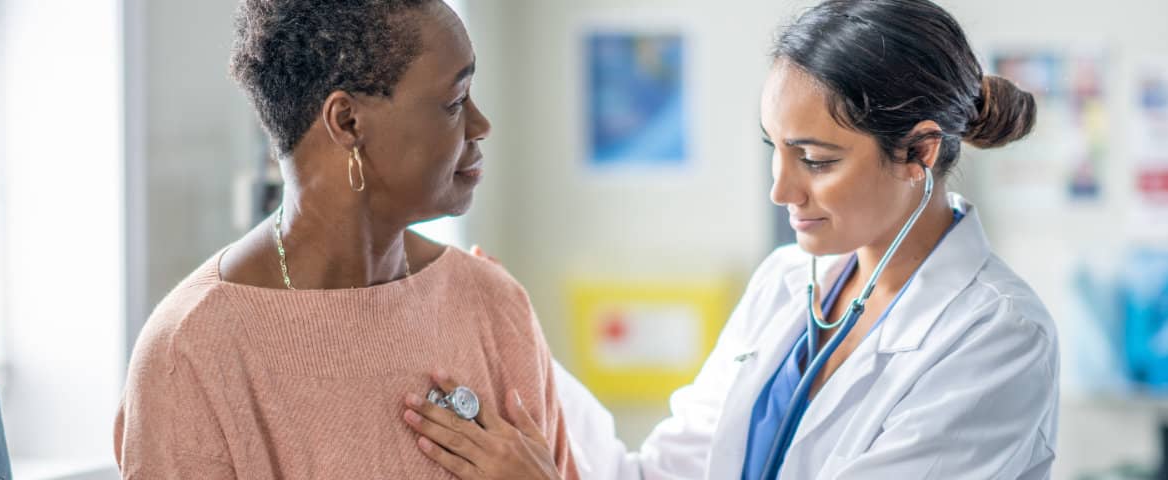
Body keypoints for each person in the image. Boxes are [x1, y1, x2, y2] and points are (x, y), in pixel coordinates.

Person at [399, 0, 1058, 478]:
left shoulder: (997, 337)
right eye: (775, 150)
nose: (782, 191)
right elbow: (658, 475)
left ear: (918, 151)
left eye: (817, 160)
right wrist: (524, 341)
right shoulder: (785, 283)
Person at [113, 1, 577, 478]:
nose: (481, 126)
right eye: (455, 102)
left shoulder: (493, 306)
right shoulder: (191, 353)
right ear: (347, 122)